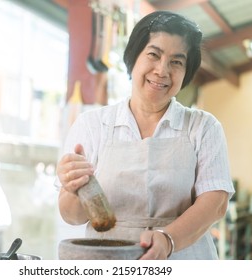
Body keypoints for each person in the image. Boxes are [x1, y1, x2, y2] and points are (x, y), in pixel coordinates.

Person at [56, 10, 234, 260]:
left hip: (184, 259)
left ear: (186, 73)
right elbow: (72, 216)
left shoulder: (203, 127)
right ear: (133, 58)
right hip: (109, 261)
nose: (162, 71)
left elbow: (215, 203)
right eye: (154, 54)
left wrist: (168, 239)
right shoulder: (92, 125)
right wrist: (73, 186)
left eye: (176, 62)